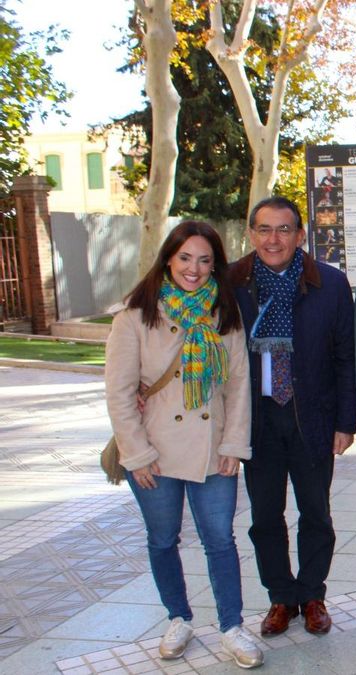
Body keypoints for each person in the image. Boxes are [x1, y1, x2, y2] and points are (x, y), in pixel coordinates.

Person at [105, 221, 263, 668]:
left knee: (220, 540)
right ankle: (178, 617)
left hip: (213, 451)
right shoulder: (134, 315)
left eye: (205, 260)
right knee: (162, 539)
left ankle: (231, 626)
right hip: (153, 451)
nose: (194, 269)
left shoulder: (224, 311)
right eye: (185, 258)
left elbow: (238, 386)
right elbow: (119, 393)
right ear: (168, 259)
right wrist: (135, 455)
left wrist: (234, 445)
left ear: (216, 264)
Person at [230, 196, 356, 638]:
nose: (273, 239)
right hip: (258, 419)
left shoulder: (330, 284)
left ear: (300, 235)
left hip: (312, 420)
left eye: (284, 230)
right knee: (265, 516)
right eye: (264, 229)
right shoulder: (233, 284)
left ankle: (312, 595)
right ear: (251, 235)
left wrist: (347, 422)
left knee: (316, 514)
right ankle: (281, 598)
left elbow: (346, 357)